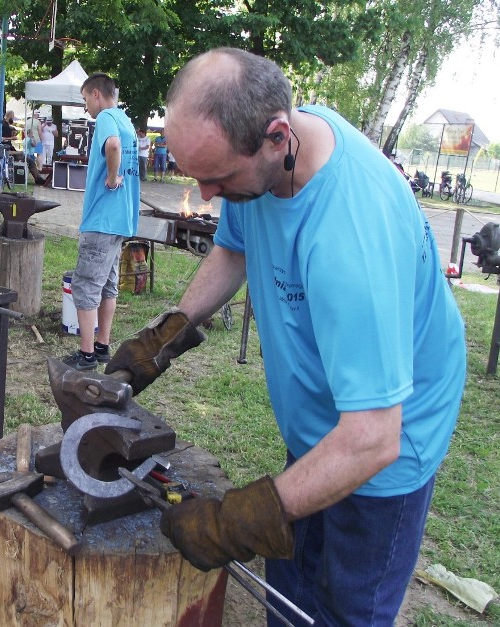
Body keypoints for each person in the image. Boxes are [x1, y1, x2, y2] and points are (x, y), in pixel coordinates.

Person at [105, 48, 466, 625]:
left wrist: (233, 523)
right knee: (291, 595)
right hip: (324, 420)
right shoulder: (274, 152)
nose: (206, 194)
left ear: (277, 137)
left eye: (218, 178)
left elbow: (372, 439)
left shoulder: (352, 237)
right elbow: (232, 248)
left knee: (345, 609)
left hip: (380, 443)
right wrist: (166, 335)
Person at [61, 72, 140, 371]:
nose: (86, 108)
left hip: (102, 219)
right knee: (108, 285)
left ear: (96, 94)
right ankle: (102, 346)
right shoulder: (126, 120)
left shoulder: (106, 117)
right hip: (121, 219)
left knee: (85, 285)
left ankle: (86, 355)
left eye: (84, 100)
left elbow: (113, 147)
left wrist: (109, 180)